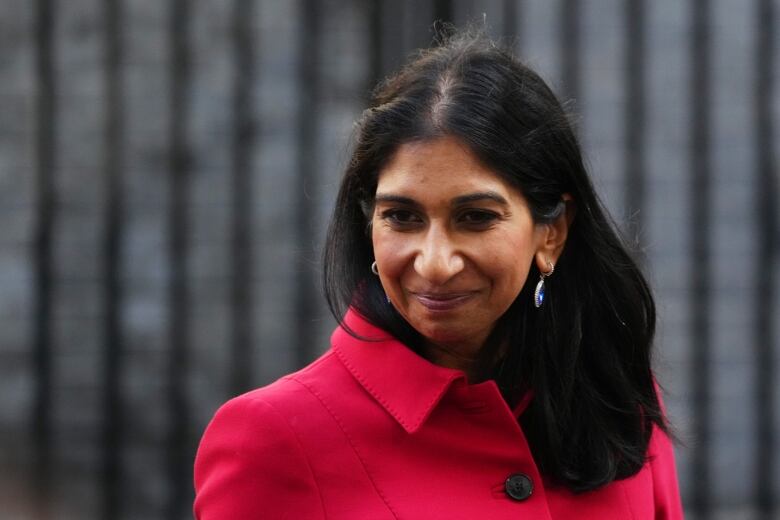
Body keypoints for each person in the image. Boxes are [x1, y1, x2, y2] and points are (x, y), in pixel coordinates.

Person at [193, 29, 683, 519]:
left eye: (476, 218)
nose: (434, 263)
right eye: (402, 217)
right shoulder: (274, 438)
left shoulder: (619, 402)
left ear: (551, 233)